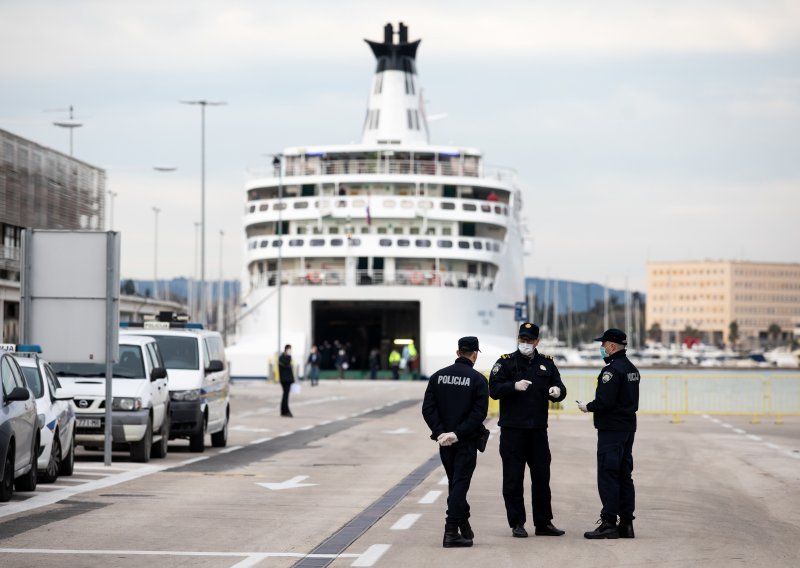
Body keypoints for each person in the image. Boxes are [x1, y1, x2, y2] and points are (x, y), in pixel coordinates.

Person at [489, 322, 567, 538]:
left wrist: (557, 391)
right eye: (522, 339)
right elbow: (493, 389)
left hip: (538, 431)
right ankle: (517, 523)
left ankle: (543, 523)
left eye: (529, 340)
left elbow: (561, 388)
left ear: (537, 341)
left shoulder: (547, 363)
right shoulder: (505, 362)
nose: (525, 343)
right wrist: (512, 387)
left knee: (542, 478)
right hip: (513, 430)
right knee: (513, 479)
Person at [422, 336, 489, 548]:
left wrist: (441, 432)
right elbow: (479, 414)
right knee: (460, 485)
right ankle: (451, 531)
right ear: (475, 354)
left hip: (444, 442)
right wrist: (458, 434)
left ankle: (464, 524)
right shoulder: (478, 380)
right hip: (465, 441)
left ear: (457, 352)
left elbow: (428, 409)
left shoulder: (437, 376)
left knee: (455, 484)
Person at [578, 328, 640, 539]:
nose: (601, 348)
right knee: (624, 475)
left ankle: (609, 523)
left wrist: (587, 406)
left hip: (612, 430)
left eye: (603, 345)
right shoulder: (632, 368)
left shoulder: (611, 371)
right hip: (627, 428)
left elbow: (605, 401)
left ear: (612, 346)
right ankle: (627, 523)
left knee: (608, 474)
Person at [278, 344, 294, 417]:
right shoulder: (285, 358)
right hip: (285, 380)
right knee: (285, 396)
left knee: (285, 395)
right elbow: (286, 363)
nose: (290, 351)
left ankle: (283, 410)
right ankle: (285, 411)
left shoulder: (281, 357)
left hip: (285, 379)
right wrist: (289, 356)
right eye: (289, 349)